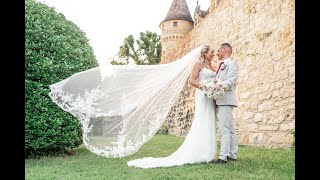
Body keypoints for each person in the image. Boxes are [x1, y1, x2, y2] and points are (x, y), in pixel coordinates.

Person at [127, 45, 217, 168]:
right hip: (202, 95)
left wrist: (214, 89)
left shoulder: (212, 67)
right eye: (212, 52)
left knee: (209, 121)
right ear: (205, 53)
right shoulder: (198, 64)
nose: (214, 54)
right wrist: (206, 88)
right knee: (202, 121)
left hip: (210, 96)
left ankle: (208, 153)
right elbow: (192, 80)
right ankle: (199, 152)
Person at [214, 43, 239, 163]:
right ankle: (232, 155)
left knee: (224, 129)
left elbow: (230, 81)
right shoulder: (221, 66)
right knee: (231, 129)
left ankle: (222, 157)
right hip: (221, 99)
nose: (217, 53)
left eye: (218, 50)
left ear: (224, 50)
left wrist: (216, 87)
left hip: (226, 100)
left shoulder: (232, 64)